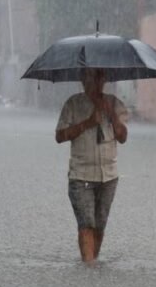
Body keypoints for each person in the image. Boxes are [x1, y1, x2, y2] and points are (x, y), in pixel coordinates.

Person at [55, 69, 129, 265]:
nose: (94, 83)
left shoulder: (115, 103)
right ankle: (88, 267)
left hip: (109, 177)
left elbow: (123, 137)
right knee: (86, 224)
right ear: (82, 80)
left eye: (98, 78)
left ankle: (92, 263)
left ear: (104, 80)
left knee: (99, 224)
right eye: (89, 78)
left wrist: (110, 113)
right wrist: (87, 123)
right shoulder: (73, 104)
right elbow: (60, 136)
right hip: (81, 175)